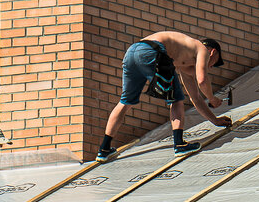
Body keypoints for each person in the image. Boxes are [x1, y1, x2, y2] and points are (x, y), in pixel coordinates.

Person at [96, 32, 233, 162]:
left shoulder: (184, 58)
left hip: (132, 52)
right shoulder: (201, 48)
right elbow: (202, 80)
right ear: (212, 52)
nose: (211, 67)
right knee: (176, 99)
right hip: (153, 51)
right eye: (214, 63)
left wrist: (215, 120)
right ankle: (179, 145)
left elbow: (195, 98)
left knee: (126, 102)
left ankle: (104, 149)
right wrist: (213, 99)